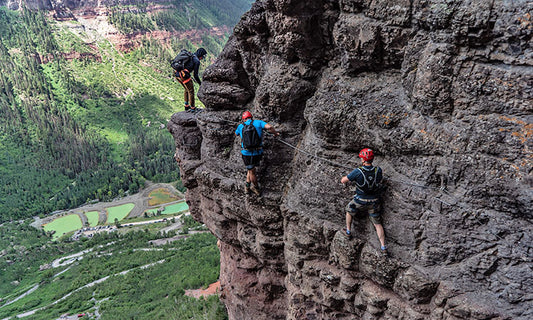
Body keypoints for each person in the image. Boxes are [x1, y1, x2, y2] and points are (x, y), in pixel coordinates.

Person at [341, 148, 388, 256]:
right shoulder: (378, 170)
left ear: (363, 160)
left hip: (360, 201)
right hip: (374, 202)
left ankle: (348, 231)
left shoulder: (358, 172)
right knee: (377, 224)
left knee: (349, 210)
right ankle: (383, 246)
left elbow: (343, 180)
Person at [235, 111, 279, 195]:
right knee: (251, 170)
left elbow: (236, 134)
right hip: (257, 152)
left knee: (252, 172)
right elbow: (269, 127)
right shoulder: (258, 122)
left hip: (246, 153)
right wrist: (275, 133)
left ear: (243, 119)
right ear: (251, 117)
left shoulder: (241, 126)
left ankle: (256, 188)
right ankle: (247, 187)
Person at [175, 47, 207, 113]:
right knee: (191, 91)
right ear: (200, 55)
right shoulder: (197, 61)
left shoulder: (191, 55)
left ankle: (186, 106)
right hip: (183, 76)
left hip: (177, 74)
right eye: (202, 57)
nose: (202, 59)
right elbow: (195, 75)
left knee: (186, 89)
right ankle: (193, 108)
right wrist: (200, 84)